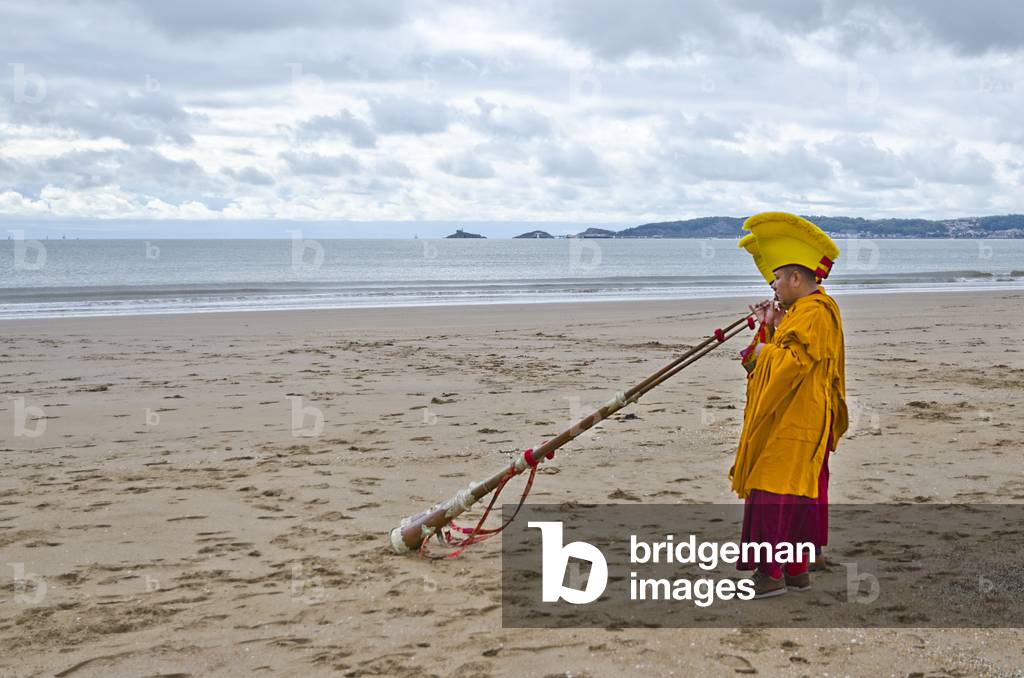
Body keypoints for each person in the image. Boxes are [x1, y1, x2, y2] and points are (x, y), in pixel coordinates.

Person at [729, 212, 848, 598]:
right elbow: (792, 350)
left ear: (797, 279)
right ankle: (795, 572)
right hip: (800, 414)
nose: (774, 286)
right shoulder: (805, 312)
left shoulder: (814, 313)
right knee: (795, 492)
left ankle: (770, 575)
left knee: (773, 490)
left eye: (778, 278)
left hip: (797, 419)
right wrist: (772, 326)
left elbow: (791, 363)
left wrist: (762, 350)